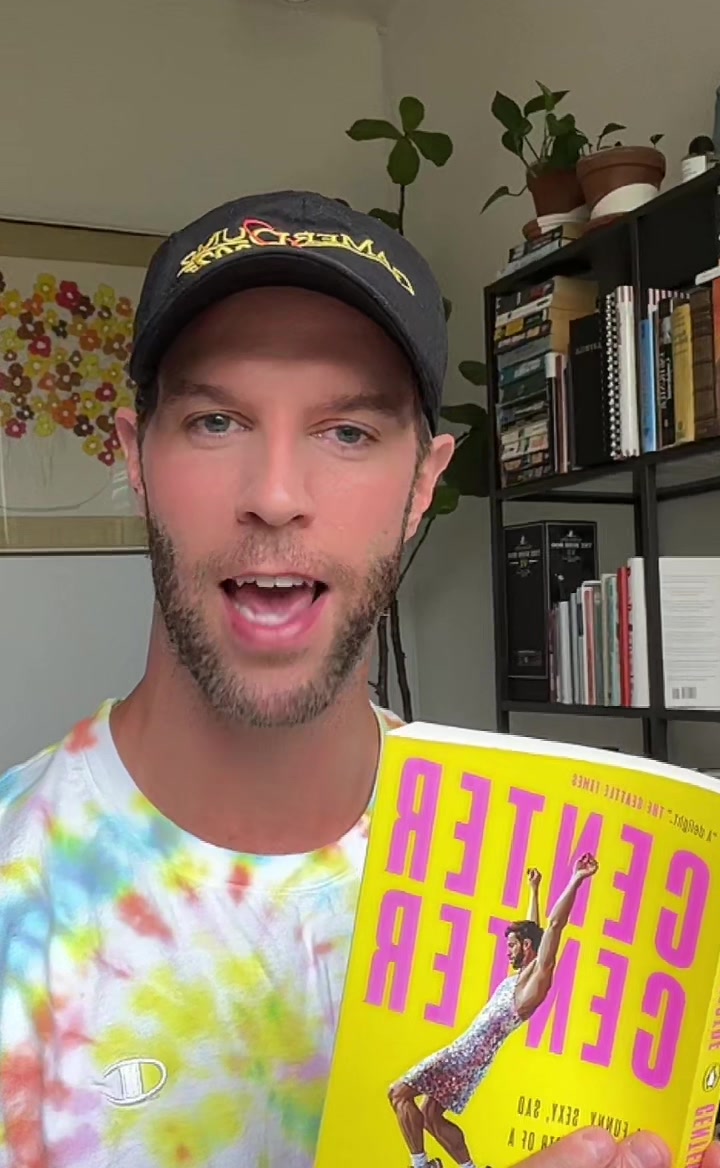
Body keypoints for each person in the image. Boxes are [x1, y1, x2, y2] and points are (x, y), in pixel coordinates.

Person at [0, 191, 716, 1168]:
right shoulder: (19, 896)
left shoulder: (571, 894)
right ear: (136, 459)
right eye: (216, 421)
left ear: (425, 484)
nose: (275, 495)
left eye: (347, 432)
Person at [389, 857, 598, 1168]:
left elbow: (554, 927)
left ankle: (420, 1166)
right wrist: (534, 890)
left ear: (526, 947)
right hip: (471, 1058)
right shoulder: (523, 973)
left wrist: (576, 879)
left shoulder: (535, 982)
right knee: (431, 1116)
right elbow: (535, 931)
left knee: (398, 1093)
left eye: (512, 945)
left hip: (463, 1056)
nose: (508, 951)